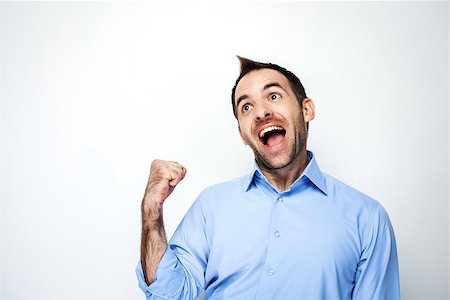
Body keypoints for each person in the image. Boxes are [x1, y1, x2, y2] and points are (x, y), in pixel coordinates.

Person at [136, 57, 400, 299]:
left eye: (273, 95)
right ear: (242, 133)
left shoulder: (367, 218)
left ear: (306, 110)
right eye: (247, 106)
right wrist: (151, 210)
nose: (261, 112)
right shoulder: (211, 206)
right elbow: (168, 296)